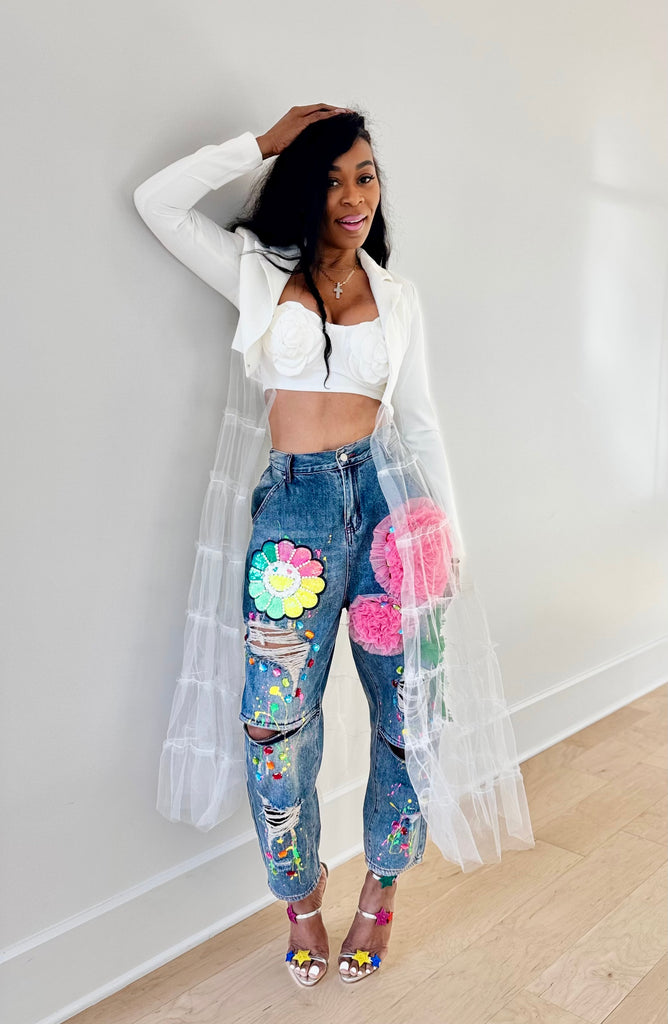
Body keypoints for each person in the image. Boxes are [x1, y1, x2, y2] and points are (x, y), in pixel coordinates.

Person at [133, 104, 535, 987]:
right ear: (300, 190)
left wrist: (452, 540)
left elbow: (420, 425)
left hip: (396, 514)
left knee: (410, 715)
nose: (354, 197)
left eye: (365, 175)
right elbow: (157, 203)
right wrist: (260, 143)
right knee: (275, 724)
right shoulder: (257, 271)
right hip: (296, 519)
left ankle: (382, 888)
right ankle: (301, 896)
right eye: (331, 179)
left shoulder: (399, 297)